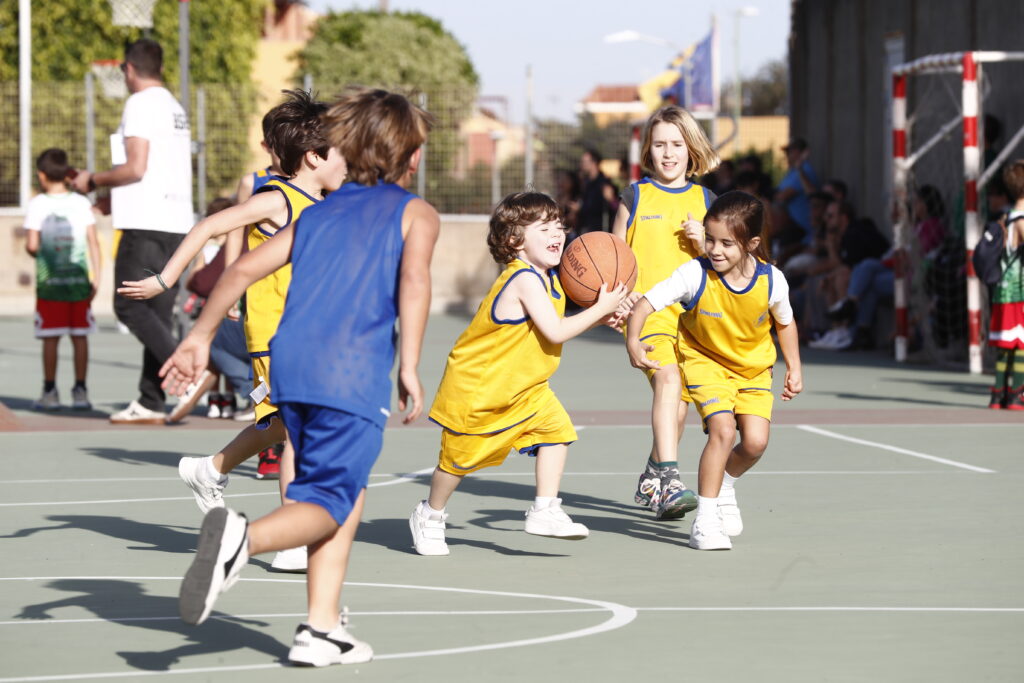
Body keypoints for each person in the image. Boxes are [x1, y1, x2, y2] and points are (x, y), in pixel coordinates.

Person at [161, 87, 439, 666]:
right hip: (350, 371)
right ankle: (243, 540)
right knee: (333, 500)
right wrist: (410, 363)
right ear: (410, 156)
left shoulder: (319, 212)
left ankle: (320, 627)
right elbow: (414, 283)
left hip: (290, 364)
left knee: (341, 492)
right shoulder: (415, 213)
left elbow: (239, 268)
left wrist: (199, 335)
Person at [118, 90, 344, 571]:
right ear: (314, 157)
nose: (349, 158)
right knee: (299, 436)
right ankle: (291, 539)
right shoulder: (276, 198)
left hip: (309, 332)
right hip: (276, 335)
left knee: (285, 424)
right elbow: (208, 228)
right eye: (341, 148)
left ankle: (211, 468)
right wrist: (166, 278)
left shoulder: (322, 202)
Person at [408, 192, 627, 556]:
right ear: (514, 240)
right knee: (456, 463)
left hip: (525, 388)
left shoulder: (552, 279)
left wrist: (601, 314)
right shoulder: (522, 279)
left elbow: (553, 324)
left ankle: (545, 509)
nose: (557, 233)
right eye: (544, 227)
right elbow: (556, 331)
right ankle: (430, 514)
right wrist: (601, 308)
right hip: (479, 390)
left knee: (557, 433)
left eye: (559, 225)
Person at [625, 191, 802, 550]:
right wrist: (632, 339)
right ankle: (705, 521)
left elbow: (785, 323)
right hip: (705, 363)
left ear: (752, 243)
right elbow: (645, 303)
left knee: (754, 443)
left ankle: (725, 485)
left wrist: (794, 366)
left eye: (726, 243)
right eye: (709, 239)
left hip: (752, 370)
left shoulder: (772, 281)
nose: (715, 250)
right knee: (722, 429)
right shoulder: (695, 273)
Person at [71, 39, 193, 424]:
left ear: (128, 69)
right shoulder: (174, 107)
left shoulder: (140, 104)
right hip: (175, 221)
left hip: (146, 223)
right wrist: (113, 200)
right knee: (156, 310)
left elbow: (136, 167)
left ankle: (190, 370)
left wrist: (93, 180)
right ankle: (151, 400)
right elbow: (158, 171)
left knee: (128, 305)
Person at [610, 105, 719, 519]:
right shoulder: (634, 196)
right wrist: (617, 299)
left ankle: (653, 474)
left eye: (676, 144)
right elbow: (612, 256)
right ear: (648, 150)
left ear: (691, 150)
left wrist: (704, 243)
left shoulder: (706, 200)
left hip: (691, 320)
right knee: (668, 379)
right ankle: (670, 479)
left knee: (677, 405)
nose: (668, 153)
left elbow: (725, 262)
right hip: (647, 313)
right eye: (660, 145)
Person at [24, 148, 102, 411]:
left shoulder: (37, 204)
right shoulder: (81, 203)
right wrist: (97, 277)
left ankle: (50, 391)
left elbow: (33, 245)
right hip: (79, 282)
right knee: (80, 337)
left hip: (50, 285)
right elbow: (93, 242)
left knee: (51, 337)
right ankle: (81, 391)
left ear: (41, 175)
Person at [980, 161, 1024, 410]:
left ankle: (998, 393)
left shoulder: (1005, 217)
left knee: (1006, 343)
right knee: (1020, 344)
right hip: (1019, 290)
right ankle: (1017, 392)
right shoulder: (1020, 219)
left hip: (1004, 289)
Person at [774, 138, 820, 266]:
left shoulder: (804, 170)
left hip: (804, 230)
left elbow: (782, 196)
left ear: (800, 153)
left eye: (790, 152)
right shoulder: (792, 171)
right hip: (793, 228)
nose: (787, 156)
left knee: (787, 262)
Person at [575, 147, 617, 234]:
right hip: (586, 229)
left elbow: (610, 206)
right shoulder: (586, 182)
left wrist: (580, 208)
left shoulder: (604, 183)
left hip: (600, 231)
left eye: (584, 162)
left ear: (594, 163)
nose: (582, 165)